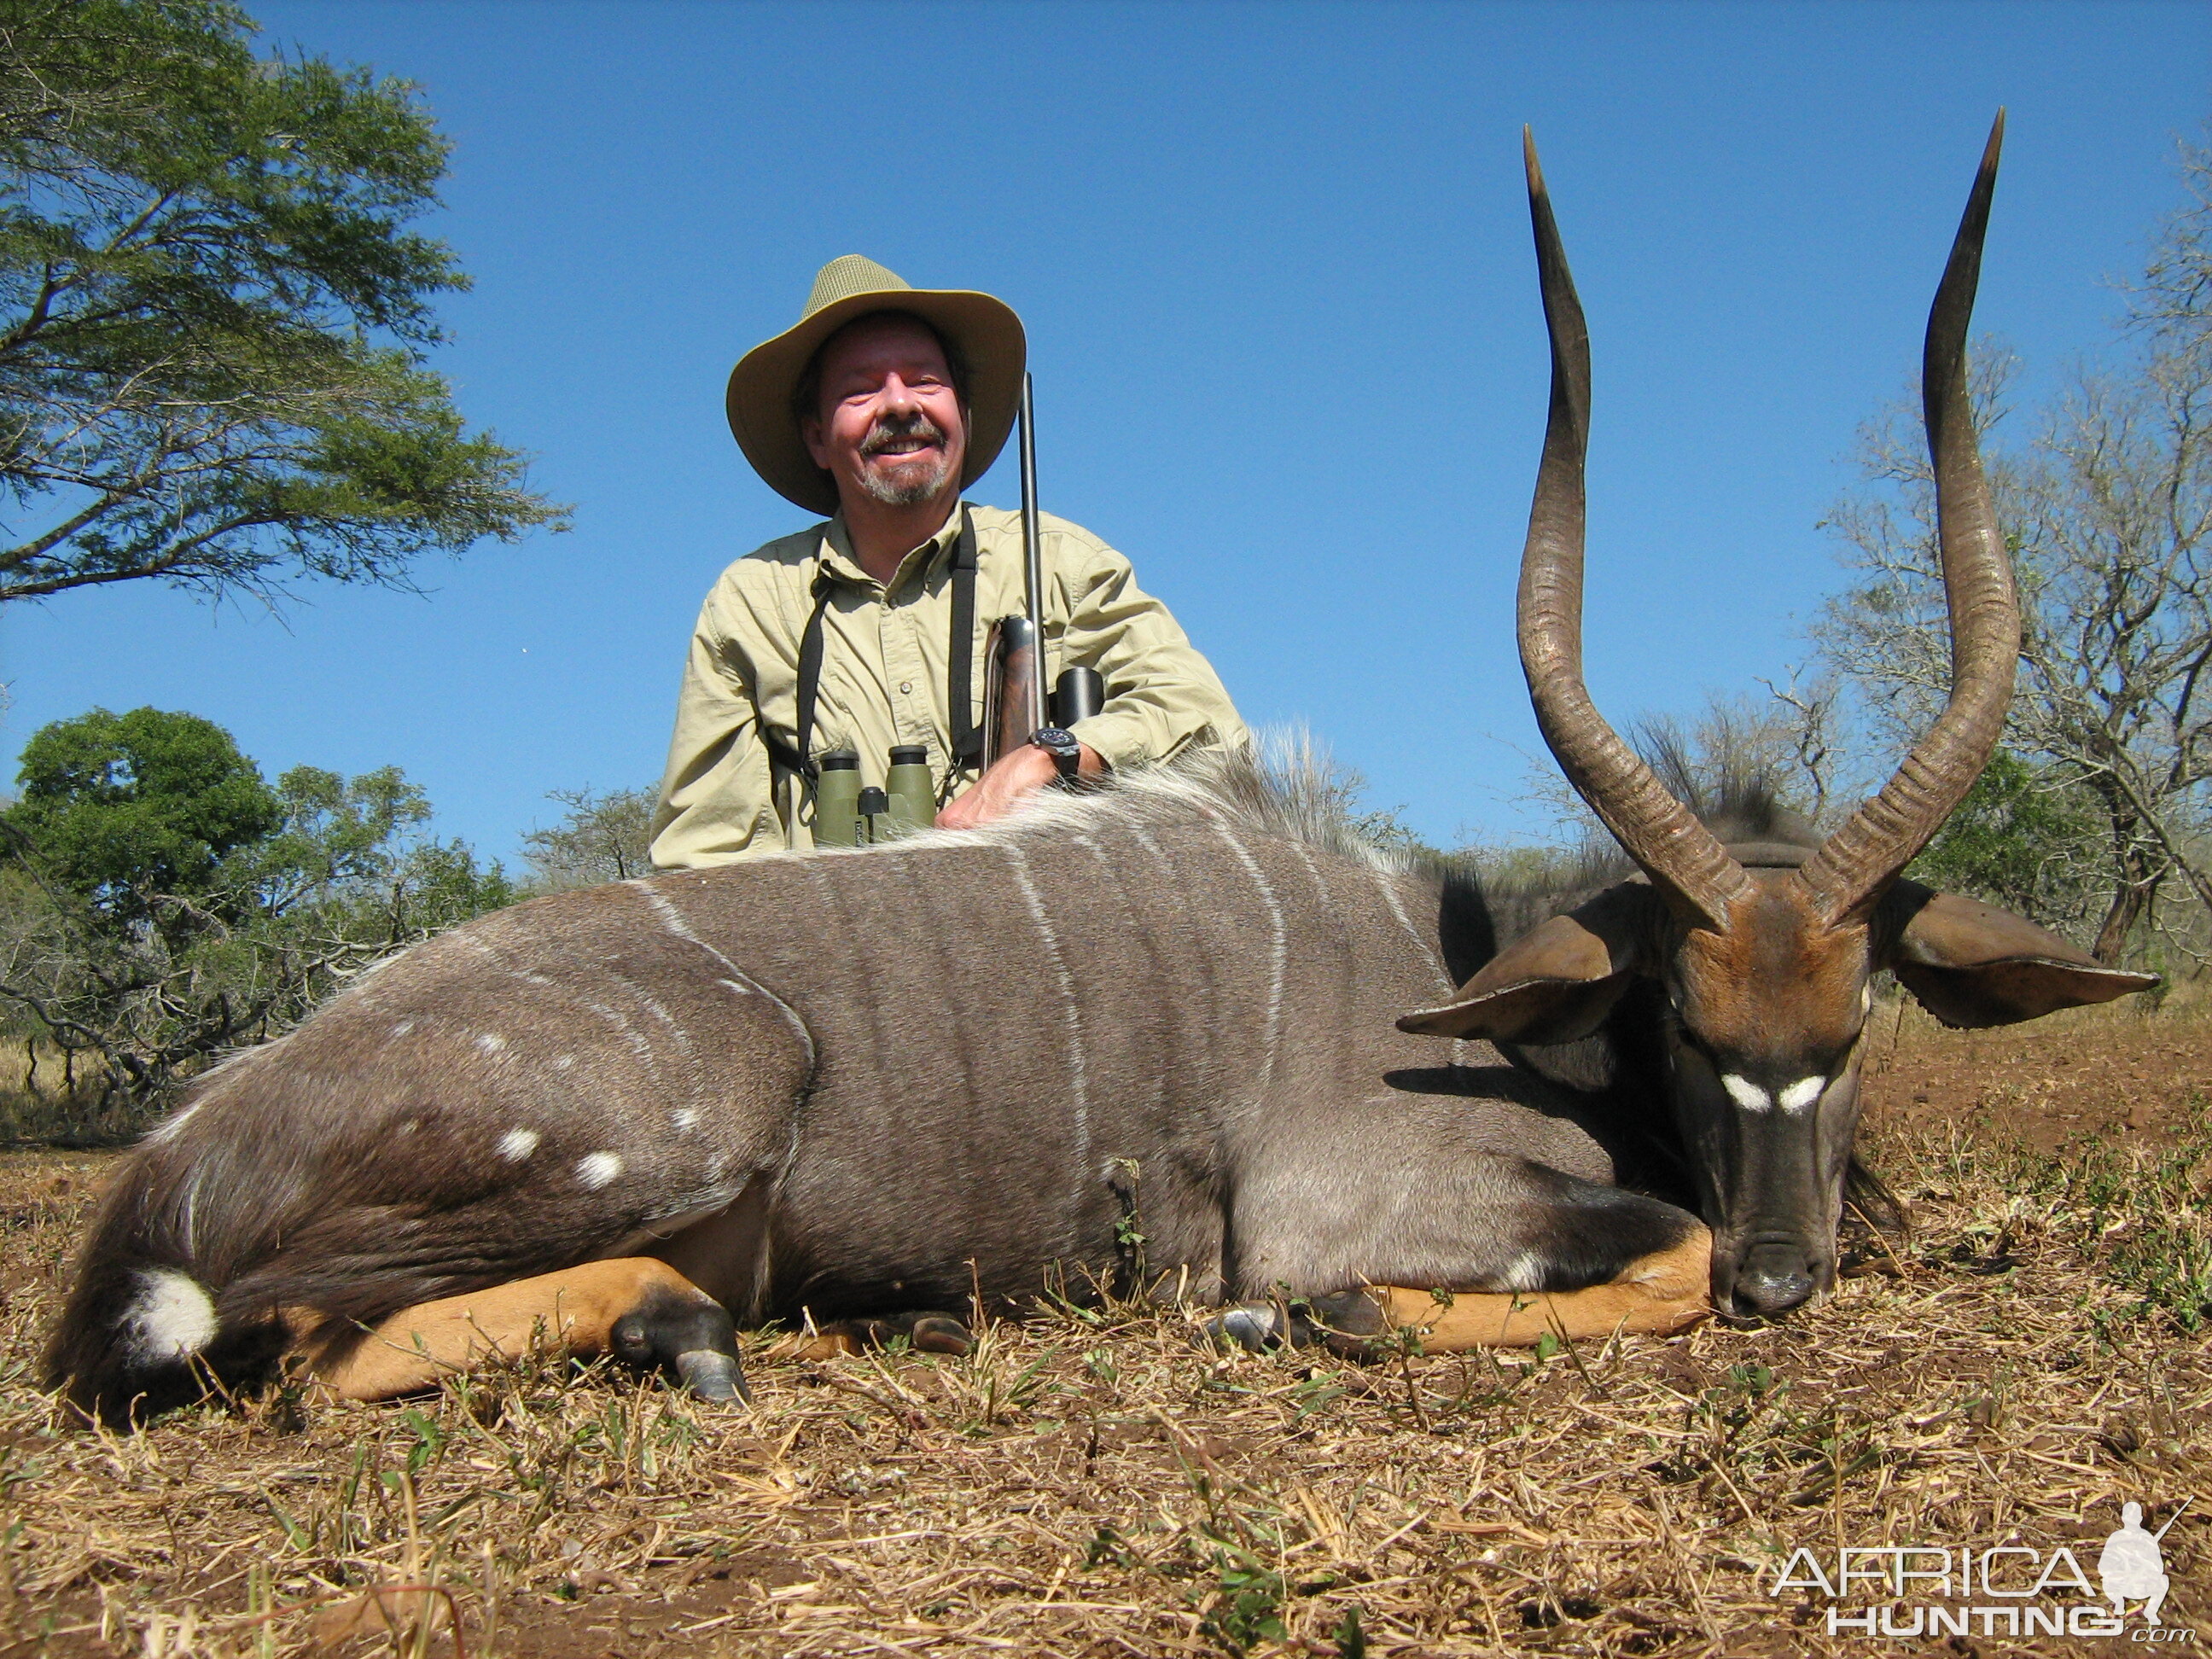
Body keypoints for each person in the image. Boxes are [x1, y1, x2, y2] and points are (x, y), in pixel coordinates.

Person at [650, 255, 1246, 865]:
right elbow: (705, 852)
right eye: (861, 388)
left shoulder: (1062, 563)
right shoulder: (751, 601)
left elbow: (1213, 732)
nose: (898, 404)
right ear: (816, 438)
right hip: (842, 948)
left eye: (924, 381)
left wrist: (1055, 755)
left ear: (962, 414)